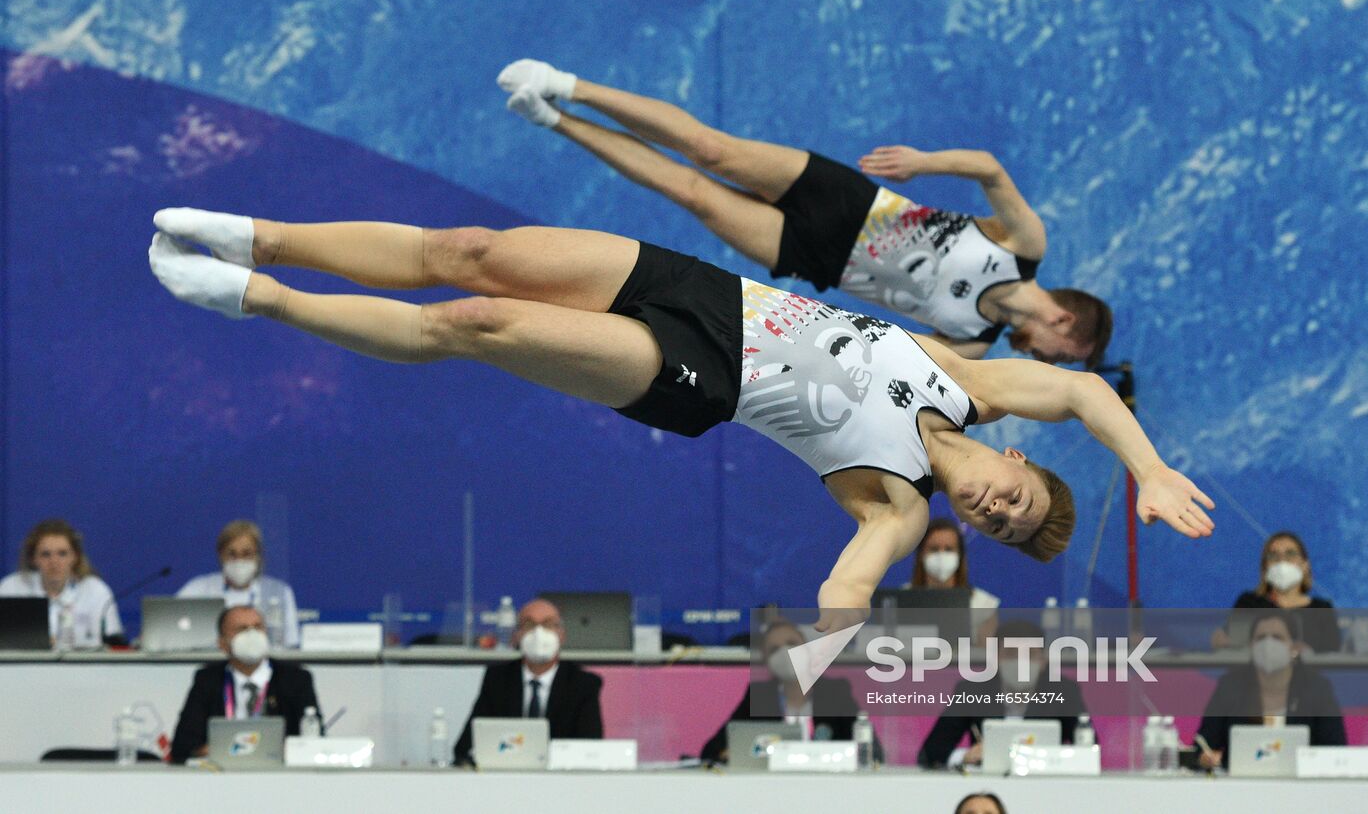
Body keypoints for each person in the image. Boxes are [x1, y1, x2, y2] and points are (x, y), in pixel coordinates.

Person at [146, 208, 1214, 626]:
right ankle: (264, 239)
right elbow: (1078, 388)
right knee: (465, 252)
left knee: (471, 322)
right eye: (1015, 497)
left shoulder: (891, 506)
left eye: (996, 526)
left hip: (692, 375)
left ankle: (262, 298)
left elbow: (843, 589)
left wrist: (816, 674)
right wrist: (1149, 472)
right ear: (1018, 462)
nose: (989, 504)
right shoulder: (971, 378)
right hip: (711, 292)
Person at [497, 59, 1111, 365]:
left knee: (690, 192)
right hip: (854, 204)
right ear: (1066, 324)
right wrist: (923, 162)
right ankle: (567, 86)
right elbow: (989, 168)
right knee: (712, 150)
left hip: (820, 260)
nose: (1047, 359)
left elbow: (899, 354)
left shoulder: (973, 342)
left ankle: (553, 120)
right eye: (1063, 354)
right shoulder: (1025, 245)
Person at [700, 619, 880, 764]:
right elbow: (711, 751)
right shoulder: (759, 697)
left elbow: (873, 752)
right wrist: (728, 754)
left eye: (792, 644)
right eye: (775, 649)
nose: (785, 653)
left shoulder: (835, 693)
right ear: (767, 661)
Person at [917, 620, 1090, 769]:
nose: (1020, 662)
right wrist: (965, 757)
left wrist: (1056, 758)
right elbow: (930, 752)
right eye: (1011, 654)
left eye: (1030, 654)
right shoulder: (972, 691)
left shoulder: (1064, 692)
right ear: (996, 658)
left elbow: (1088, 751)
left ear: (1043, 661)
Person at [452, 598, 602, 766]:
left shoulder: (583, 684)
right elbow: (465, 747)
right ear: (517, 635)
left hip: (562, 783)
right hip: (506, 779)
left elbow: (591, 750)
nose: (539, 633)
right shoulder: (498, 679)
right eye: (530, 625)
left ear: (562, 635)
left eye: (548, 624)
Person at [1195, 610, 1346, 770]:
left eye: (1277, 637)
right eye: (1261, 638)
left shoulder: (1316, 688)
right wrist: (1206, 758)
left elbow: (1336, 749)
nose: (1268, 644)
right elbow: (1202, 746)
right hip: (1241, 785)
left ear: (1294, 646)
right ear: (1251, 646)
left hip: (1302, 788)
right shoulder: (1230, 686)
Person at [169, 605, 320, 764]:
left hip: (279, 776)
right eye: (242, 629)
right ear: (222, 643)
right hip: (221, 777)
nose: (252, 634)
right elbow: (182, 746)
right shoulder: (208, 680)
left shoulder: (295, 679)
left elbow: (314, 741)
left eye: (258, 627)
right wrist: (227, 750)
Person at [0, 518, 123, 648]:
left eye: (62, 553)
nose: (54, 562)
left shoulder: (96, 591)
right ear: (33, 559)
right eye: (45, 554)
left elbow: (113, 643)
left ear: (75, 556)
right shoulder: (11, 588)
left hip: (84, 667)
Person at [177, 519, 301, 647]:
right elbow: (173, 633)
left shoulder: (280, 592)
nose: (239, 561)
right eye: (232, 554)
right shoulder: (196, 590)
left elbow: (291, 643)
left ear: (258, 556)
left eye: (247, 554)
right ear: (221, 556)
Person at [1210, 531, 1340, 653]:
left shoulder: (1321, 609)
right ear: (1265, 567)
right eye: (1273, 555)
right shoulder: (1249, 602)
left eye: (1290, 554)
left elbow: (1332, 657)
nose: (1282, 561)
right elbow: (1234, 648)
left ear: (1305, 565)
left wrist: (1307, 654)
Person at [906, 517, 999, 646]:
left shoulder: (983, 605)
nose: (941, 555)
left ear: (960, 556)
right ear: (921, 554)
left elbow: (987, 660)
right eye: (934, 549)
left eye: (949, 549)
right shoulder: (900, 600)